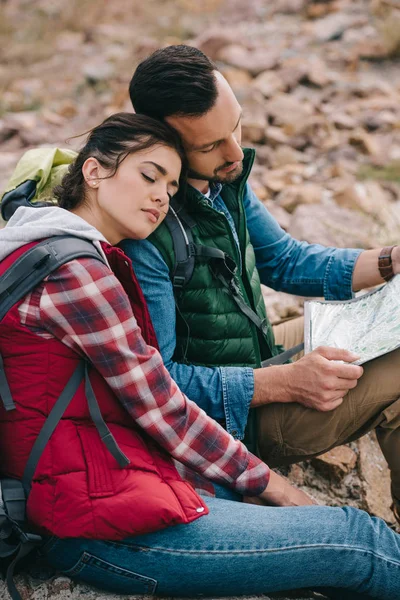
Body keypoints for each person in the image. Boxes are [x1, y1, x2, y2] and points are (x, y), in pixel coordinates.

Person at [0, 112, 399, 600]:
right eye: (149, 177)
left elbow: (284, 258)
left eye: (170, 186)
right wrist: (272, 485)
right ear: (93, 171)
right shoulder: (76, 273)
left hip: (108, 490)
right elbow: (162, 405)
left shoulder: (41, 244)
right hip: (99, 526)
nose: (162, 198)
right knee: (358, 540)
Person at [123, 44, 400, 522]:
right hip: (230, 423)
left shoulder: (220, 181)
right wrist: (286, 382)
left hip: (257, 360)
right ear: (161, 144)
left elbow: (286, 261)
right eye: (210, 146)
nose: (235, 153)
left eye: (236, 126)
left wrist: (391, 260)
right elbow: (160, 385)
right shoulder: (145, 231)